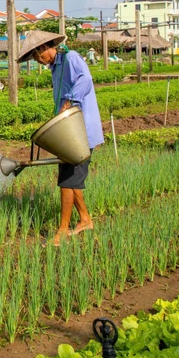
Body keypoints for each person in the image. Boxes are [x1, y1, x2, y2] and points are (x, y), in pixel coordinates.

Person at [17, 30, 105, 246]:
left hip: (81, 133)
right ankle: (85, 220)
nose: (38, 61)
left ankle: (63, 230)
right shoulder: (55, 68)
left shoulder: (71, 58)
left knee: (67, 182)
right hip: (69, 133)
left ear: (43, 48)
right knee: (71, 180)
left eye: (37, 56)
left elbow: (86, 79)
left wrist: (70, 100)